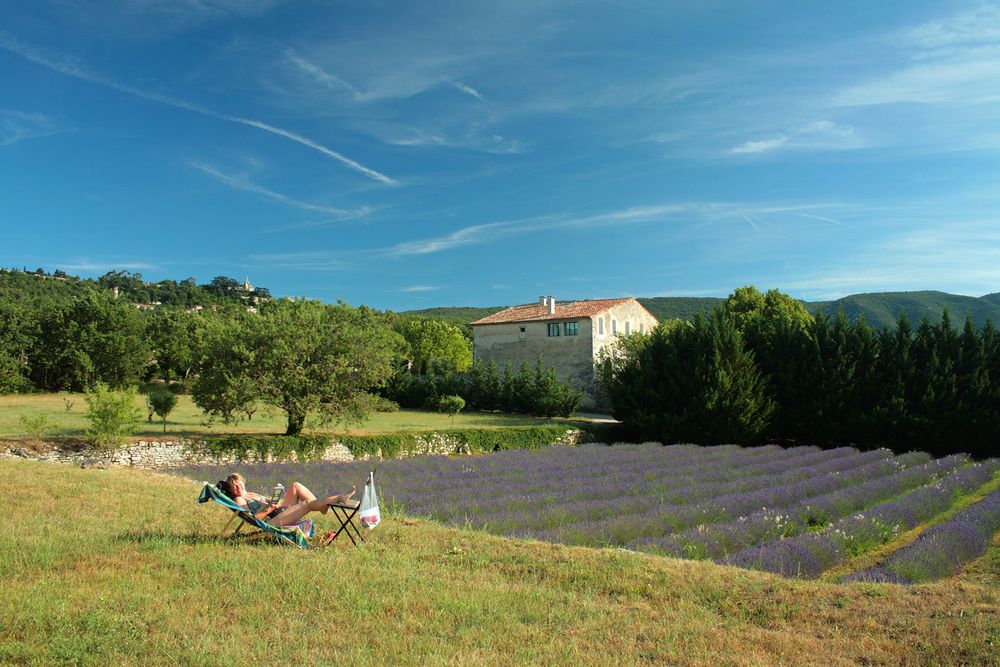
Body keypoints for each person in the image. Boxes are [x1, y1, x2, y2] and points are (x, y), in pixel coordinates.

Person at [217, 473, 355, 528]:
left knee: (296, 485)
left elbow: (267, 503)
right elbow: (255, 518)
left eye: (239, 484)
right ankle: (338, 498)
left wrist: (274, 500)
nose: (238, 488)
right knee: (306, 504)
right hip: (271, 520)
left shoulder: (250, 493)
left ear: (244, 483)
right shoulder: (239, 499)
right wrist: (269, 509)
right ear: (230, 489)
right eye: (234, 486)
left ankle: (321, 506)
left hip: (278, 511)